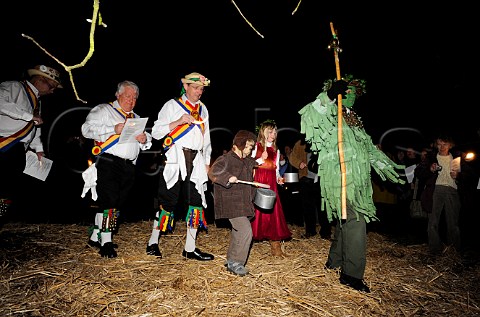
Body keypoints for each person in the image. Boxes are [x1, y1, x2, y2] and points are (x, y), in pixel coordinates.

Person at [298, 75, 405, 293]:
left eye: (355, 93)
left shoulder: (354, 120)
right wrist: (328, 96)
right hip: (338, 177)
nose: (352, 96)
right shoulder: (331, 113)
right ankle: (351, 275)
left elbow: (367, 147)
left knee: (346, 220)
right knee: (356, 220)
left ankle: (334, 261)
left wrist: (384, 165)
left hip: (357, 181)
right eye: (347, 92)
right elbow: (310, 115)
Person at [146, 72, 214, 261]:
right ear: (185, 87)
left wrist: (207, 162)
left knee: (196, 202)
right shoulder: (172, 105)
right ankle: (153, 242)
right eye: (196, 88)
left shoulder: (203, 109)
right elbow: (157, 132)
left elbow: (206, 139)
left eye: (201, 89)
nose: (199, 92)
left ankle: (189, 248)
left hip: (196, 159)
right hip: (175, 157)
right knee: (168, 200)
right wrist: (178, 121)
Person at [81, 80, 152, 258]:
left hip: (129, 166)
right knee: (110, 201)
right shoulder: (104, 110)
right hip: (108, 161)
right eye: (128, 96)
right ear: (117, 95)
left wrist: (145, 139)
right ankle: (106, 242)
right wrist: (113, 128)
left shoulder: (136, 118)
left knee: (117, 202)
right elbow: (86, 129)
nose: (131, 101)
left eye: (134, 98)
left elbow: (146, 142)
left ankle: (95, 236)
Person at [0, 64, 63, 219]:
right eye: (51, 86)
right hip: (4, 145)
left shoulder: (37, 101)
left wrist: (38, 148)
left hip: (19, 149)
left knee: (8, 190)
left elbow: (35, 127)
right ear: (39, 80)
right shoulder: (13, 87)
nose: (52, 91)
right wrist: (28, 116)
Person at [208, 130, 258, 276]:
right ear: (239, 145)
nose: (250, 150)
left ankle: (231, 260)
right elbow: (213, 172)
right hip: (231, 202)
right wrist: (228, 177)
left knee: (238, 232)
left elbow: (258, 163)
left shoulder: (247, 161)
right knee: (245, 231)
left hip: (243, 203)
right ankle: (236, 263)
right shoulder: (226, 159)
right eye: (248, 147)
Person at [251, 119, 292, 257]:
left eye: (275, 132)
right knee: (255, 214)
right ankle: (245, 245)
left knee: (274, 214)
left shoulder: (276, 150)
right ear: (264, 132)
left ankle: (276, 248)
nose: (273, 134)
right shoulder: (256, 147)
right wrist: (261, 159)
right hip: (259, 182)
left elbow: (276, 169)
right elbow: (248, 165)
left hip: (271, 184)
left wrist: (279, 178)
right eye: (270, 131)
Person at [415, 135, 462, 254]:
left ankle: (453, 250)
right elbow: (418, 172)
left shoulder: (457, 158)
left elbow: (470, 176)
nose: (441, 147)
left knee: (453, 223)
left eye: (445, 144)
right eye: (439, 144)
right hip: (435, 190)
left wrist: (459, 176)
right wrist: (430, 170)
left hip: (452, 190)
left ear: (450, 145)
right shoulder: (431, 157)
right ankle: (435, 249)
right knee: (433, 222)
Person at [289, 136, 332, 240]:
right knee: (307, 207)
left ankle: (325, 232)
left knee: (323, 207)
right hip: (306, 179)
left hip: (322, 179)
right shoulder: (300, 143)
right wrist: (299, 163)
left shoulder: (323, 140)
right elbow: (292, 157)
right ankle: (310, 231)